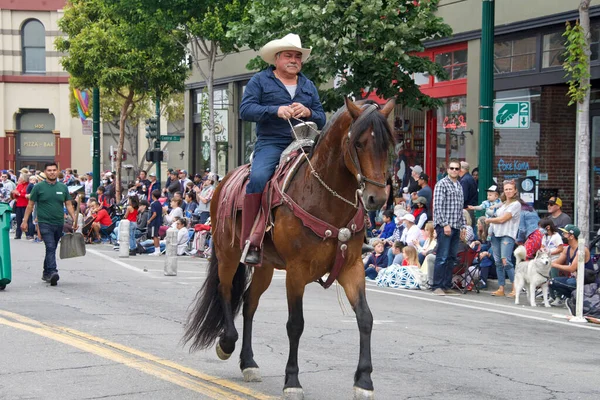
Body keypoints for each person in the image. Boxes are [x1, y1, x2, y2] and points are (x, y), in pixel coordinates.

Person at [239, 33, 326, 265]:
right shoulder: (260, 81)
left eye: (298, 56)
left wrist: (308, 112)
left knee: (335, 172)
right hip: (272, 142)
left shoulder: (308, 85)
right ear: (276, 58)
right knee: (258, 177)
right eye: (289, 55)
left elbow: (322, 117)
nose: (294, 60)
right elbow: (245, 110)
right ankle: (251, 239)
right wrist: (275, 111)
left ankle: (350, 234)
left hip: (306, 142)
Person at [21, 162, 77, 286]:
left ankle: (46, 272)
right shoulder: (38, 187)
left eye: (54, 170)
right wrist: (25, 221)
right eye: (49, 170)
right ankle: (52, 272)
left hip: (58, 223)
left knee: (52, 247)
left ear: (57, 172)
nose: (52, 172)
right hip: (44, 222)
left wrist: (74, 219)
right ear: (45, 172)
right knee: (50, 246)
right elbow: (30, 205)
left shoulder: (62, 187)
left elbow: (68, 204)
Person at [431, 159, 465, 296]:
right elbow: (438, 206)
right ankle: (437, 285)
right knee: (442, 256)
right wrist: (444, 224)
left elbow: (460, 208)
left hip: (456, 225)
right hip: (445, 225)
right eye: (452, 168)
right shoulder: (442, 184)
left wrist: (462, 226)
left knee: (451, 257)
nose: (454, 171)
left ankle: (446, 285)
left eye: (457, 169)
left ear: (460, 170)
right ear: (447, 169)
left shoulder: (459, 186)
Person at [486, 179, 521, 297]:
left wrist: (489, 220)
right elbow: (492, 208)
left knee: (506, 261)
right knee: (498, 262)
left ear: (515, 190)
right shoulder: (503, 203)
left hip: (507, 234)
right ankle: (501, 288)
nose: (508, 191)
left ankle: (515, 287)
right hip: (496, 234)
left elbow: (503, 219)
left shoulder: (516, 204)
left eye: (511, 189)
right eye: (506, 189)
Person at [549, 224, 593, 306]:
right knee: (551, 282)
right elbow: (557, 262)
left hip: (585, 281)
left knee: (570, 282)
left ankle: (580, 298)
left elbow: (572, 268)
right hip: (574, 278)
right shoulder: (567, 249)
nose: (563, 236)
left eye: (565, 234)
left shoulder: (581, 249)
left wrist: (553, 265)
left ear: (572, 236)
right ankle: (570, 297)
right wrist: (548, 263)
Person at [458, 161, 478, 227]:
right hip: (471, 208)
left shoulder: (464, 180)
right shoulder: (470, 178)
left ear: (461, 169)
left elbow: (463, 197)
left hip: (467, 209)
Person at [12, 174, 30, 239]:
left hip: (25, 204)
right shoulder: (19, 185)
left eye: (20, 178)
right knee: (18, 220)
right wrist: (15, 194)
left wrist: (19, 194)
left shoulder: (28, 185)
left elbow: (26, 195)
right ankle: (18, 234)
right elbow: (16, 194)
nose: (19, 179)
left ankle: (28, 234)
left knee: (25, 220)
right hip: (19, 204)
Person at [146, 190, 163, 256]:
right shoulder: (159, 203)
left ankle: (156, 250)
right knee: (157, 236)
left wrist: (149, 220)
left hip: (154, 222)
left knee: (154, 236)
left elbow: (154, 214)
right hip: (159, 221)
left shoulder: (153, 204)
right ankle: (158, 249)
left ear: (153, 196)